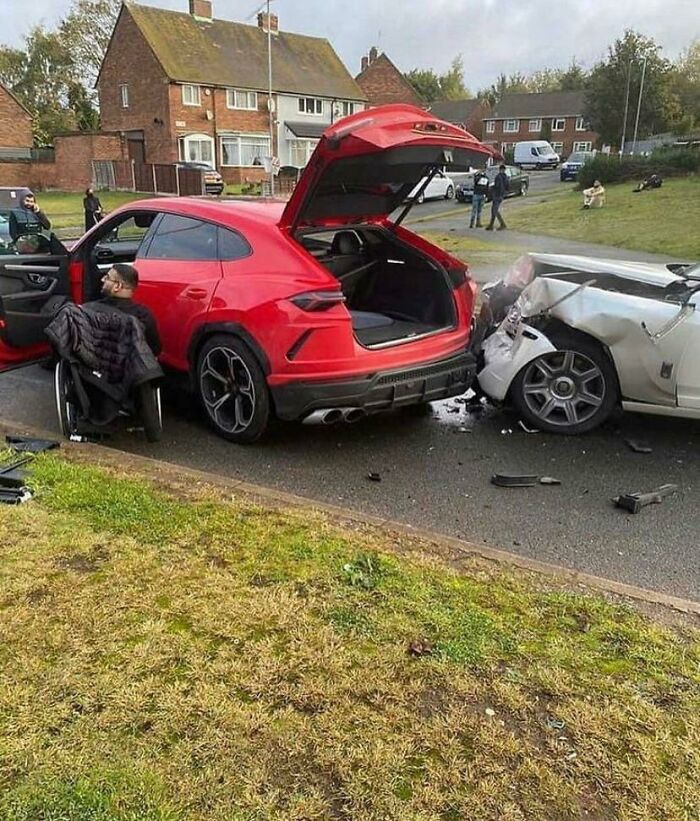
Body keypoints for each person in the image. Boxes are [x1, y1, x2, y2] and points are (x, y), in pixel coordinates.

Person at [94, 263, 161, 355]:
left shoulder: (91, 309)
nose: (102, 280)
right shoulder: (144, 315)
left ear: (117, 286)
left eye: (107, 278)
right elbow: (155, 350)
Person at [485, 164, 509, 230]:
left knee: (494, 210)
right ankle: (491, 225)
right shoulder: (506, 177)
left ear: (500, 169)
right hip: (501, 195)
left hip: (497, 195)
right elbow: (507, 186)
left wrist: (492, 188)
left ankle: (501, 224)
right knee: (495, 210)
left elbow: (497, 186)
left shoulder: (498, 177)